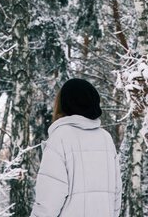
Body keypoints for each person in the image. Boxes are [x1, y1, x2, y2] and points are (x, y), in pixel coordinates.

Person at [30, 78, 122, 217]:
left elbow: (49, 200)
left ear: (64, 104)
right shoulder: (105, 138)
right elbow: (116, 195)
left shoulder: (60, 137)